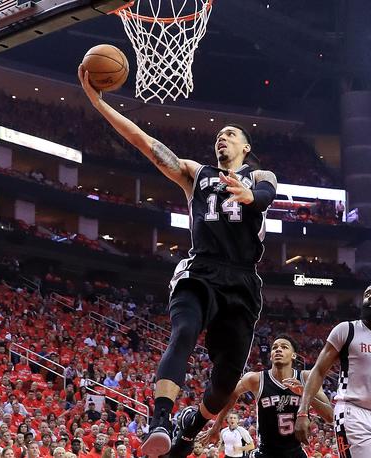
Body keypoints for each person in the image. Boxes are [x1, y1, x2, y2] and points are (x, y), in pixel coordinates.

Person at [78, 64, 278, 458]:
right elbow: (143, 141)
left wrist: (250, 197)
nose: (222, 139)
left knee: (224, 385)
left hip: (243, 282)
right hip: (200, 270)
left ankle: (192, 426)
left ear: (245, 148)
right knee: (183, 331)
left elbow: (268, 195)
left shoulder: (259, 176)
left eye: (231, 135)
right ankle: (161, 421)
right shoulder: (195, 174)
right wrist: (97, 102)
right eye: (219, 136)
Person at [294, 282, 371, 457]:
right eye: (367, 294)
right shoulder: (347, 330)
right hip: (353, 412)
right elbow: (319, 371)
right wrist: (302, 412)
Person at [197, 335, 334, 457]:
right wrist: (217, 425)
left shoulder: (307, 378)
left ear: (294, 355)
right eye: (275, 347)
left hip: (295, 452)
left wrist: (305, 393)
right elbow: (232, 394)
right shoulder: (256, 379)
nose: (278, 349)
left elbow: (329, 417)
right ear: (271, 355)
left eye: (284, 347)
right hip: (264, 452)